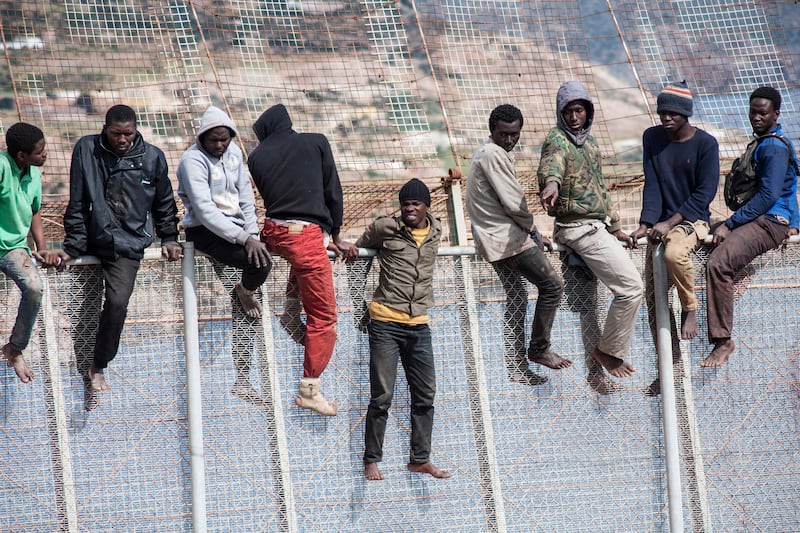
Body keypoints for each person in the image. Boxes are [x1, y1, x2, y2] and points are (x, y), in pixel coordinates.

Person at [45, 104, 182, 392]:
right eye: (117, 133)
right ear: (105, 128)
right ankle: (73, 369)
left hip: (129, 243)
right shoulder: (87, 149)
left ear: (135, 130)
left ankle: (99, 364)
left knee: (118, 303)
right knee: (80, 305)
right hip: (93, 237)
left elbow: (164, 202)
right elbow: (79, 200)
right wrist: (72, 246)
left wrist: (169, 237)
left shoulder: (152, 157)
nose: (123, 140)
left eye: (128, 134)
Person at [248, 103, 357, 416]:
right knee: (324, 319)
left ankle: (291, 310)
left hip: (273, 232)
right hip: (306, 236)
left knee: (302, 259)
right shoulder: (316, 141)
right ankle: (310, 390)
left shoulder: (255, 157)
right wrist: (336, 235)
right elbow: (331, 190)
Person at [538, 81, 642, 382]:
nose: (573, 117)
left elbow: (600, 188)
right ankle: (608, 351)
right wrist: (551, 184)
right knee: (632, 288)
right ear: (561, 113)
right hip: (577, 228)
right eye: (568, 111)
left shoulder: (590, 144)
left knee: (613, 296)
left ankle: (603, 358)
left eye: (579, 110)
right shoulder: (557, 140)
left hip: (597, 227)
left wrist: (616, 228)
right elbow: (552, 167)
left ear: (588, 112)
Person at [350, 178, 451, 481]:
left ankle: (419, 459)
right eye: (405, 204)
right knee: (382, 394)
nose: (409, 208)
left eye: (415, 204)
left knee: (425, 394)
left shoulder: (436, 231)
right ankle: (371, 459)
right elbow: (357, 256)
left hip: (419, 324)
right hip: (385, 322)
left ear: (426, 207)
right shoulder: (386, 228)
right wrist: (360, 305)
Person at [465, 103, 571, 387]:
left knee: (518, 298)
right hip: (507, 240)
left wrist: (532, 231)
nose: (510, 140)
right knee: (552, 285)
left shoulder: (488, 153)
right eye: (504, 134)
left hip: (494, 241)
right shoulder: (493, 154)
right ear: (493, 131)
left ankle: (516, 366)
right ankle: (538, 349)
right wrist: (532, 228)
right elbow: (513, 202)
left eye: (515, 134)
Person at [177, 105, 272, 398]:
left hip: (239, 231)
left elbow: (246, 198)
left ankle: (243, 375)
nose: (220, 145)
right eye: (214, 140)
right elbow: (205, 211)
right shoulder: (192, 161)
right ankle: (244, 291)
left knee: (260, 264)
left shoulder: (233, 156)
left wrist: (253, 235)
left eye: (224, 139)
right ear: (203, 137)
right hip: (205, 230)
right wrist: (245, 240)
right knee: (257, 265)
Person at [629, 82, 719, 390]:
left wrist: (672, 221)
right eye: (662, 112)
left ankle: (691, 309)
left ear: (685, 115)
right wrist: (646, 223)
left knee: (673, 253)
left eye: (672, 113)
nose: (666, 118)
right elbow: (651, 184)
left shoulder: (705, 144)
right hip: (662, 223)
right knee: (653, 298)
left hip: (692, 219)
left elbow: (705, 193)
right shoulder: (652, 138)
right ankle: (671, 364)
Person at [703, 86, 799, 367]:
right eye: (753, 112)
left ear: (776, 114)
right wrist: (796, 221)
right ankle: (738, 275)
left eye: (763, 113)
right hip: (763, 218)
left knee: (718, 263)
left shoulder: (773, 147)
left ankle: (723, 340)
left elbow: (770, 196)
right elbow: (789, 187)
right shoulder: (766, 142)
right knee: (705, 237)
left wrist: (731, 224)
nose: (756, 118)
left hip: (769, 222)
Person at [0, 123, 48, 384]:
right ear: (21, 155)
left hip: (13, 247)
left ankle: (15, 348)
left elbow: (35, 210)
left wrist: (41, 248)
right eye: (39, 152)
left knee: (33, 286)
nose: (45, 154)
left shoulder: (35, 174)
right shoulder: (2, 166)